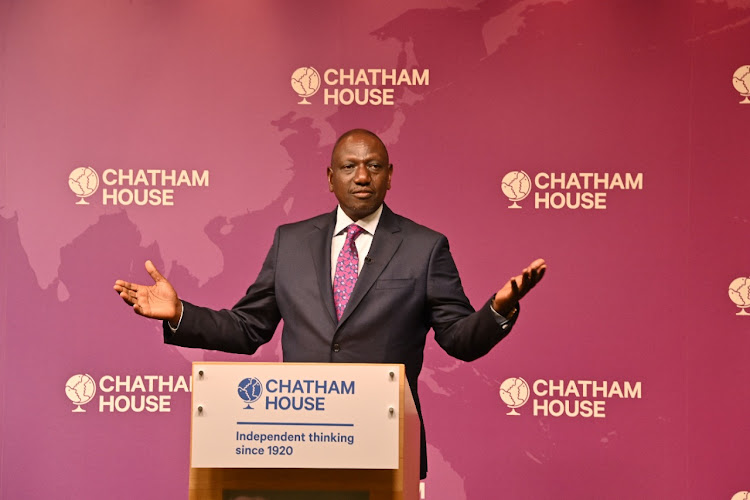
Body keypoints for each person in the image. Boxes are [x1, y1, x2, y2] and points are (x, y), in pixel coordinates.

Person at [114, 128, 546, 478]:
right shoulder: (291, 242)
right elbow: (249, 329)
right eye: (350, 166)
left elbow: (459, 340)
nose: (362, 176)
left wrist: (499, 309)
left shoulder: (425, 247)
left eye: (373, 166)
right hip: (298, 449)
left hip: (387, 450)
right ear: (330, 177)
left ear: (390, 175)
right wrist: (181, 313)